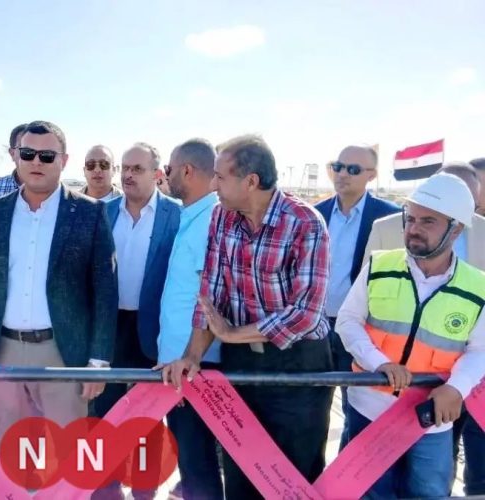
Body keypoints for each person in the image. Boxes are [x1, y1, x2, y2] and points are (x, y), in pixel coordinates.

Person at [159, 135, 333, 500]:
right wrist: (192, 356)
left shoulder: (305, 223)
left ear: (250, 181)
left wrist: (232, 334)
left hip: (297, 369)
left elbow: (305, 314)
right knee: (241, 473)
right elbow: (210, 293)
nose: (213, 185)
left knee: (295, 480)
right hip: (240, 366)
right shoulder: (221, 216)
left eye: (221, 177)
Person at [0, 120, 117, 451]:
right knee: (10, 448)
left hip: (63, 352)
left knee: (67, 450)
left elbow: (105, 291)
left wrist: (99, 361)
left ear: (64, 160)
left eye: (47, 156)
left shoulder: (89, 213)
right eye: (28, 154)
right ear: (16, 156)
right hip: (3, 350)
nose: (36, 162)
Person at [337, 173, 485, 498]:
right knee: (370, 494)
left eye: (428, 221)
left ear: (456, 229)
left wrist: (456, 389)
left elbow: (480, 350)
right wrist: (379, 363)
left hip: (431, 417)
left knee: (428, 494)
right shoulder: (378, 266)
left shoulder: (479, 287)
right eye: (411, 218)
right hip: (369, 409)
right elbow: (347, 322)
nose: (414, 228)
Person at [91, 142, 179, 500]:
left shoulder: (176, 215)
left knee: (149, 421)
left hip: (154, 331)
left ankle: (144, 491)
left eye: (137, 169)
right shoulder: (102, 212)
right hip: (109, 328)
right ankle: (106, 491)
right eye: (125, 168)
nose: (127, 175)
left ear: (157, 174)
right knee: (102, 415)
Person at [314, 145, 400, 446]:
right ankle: (311, 474)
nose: (342, 174)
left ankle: (348, 474)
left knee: (356, 414)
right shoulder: (315, 214)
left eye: (352, 169)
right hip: (314, 329)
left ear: (371, 175)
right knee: (312, 411)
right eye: (337, 166)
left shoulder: (391, 218)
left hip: (360, 330)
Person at [156, 139, 223, 499]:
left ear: (187, 171)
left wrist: (187, 358)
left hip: (193, 368)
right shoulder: (193, 217)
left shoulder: (209, 222)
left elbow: (209, 300)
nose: (165, 176)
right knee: (192, 464)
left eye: (168, 169)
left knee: (198, 467)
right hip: (181, 365)